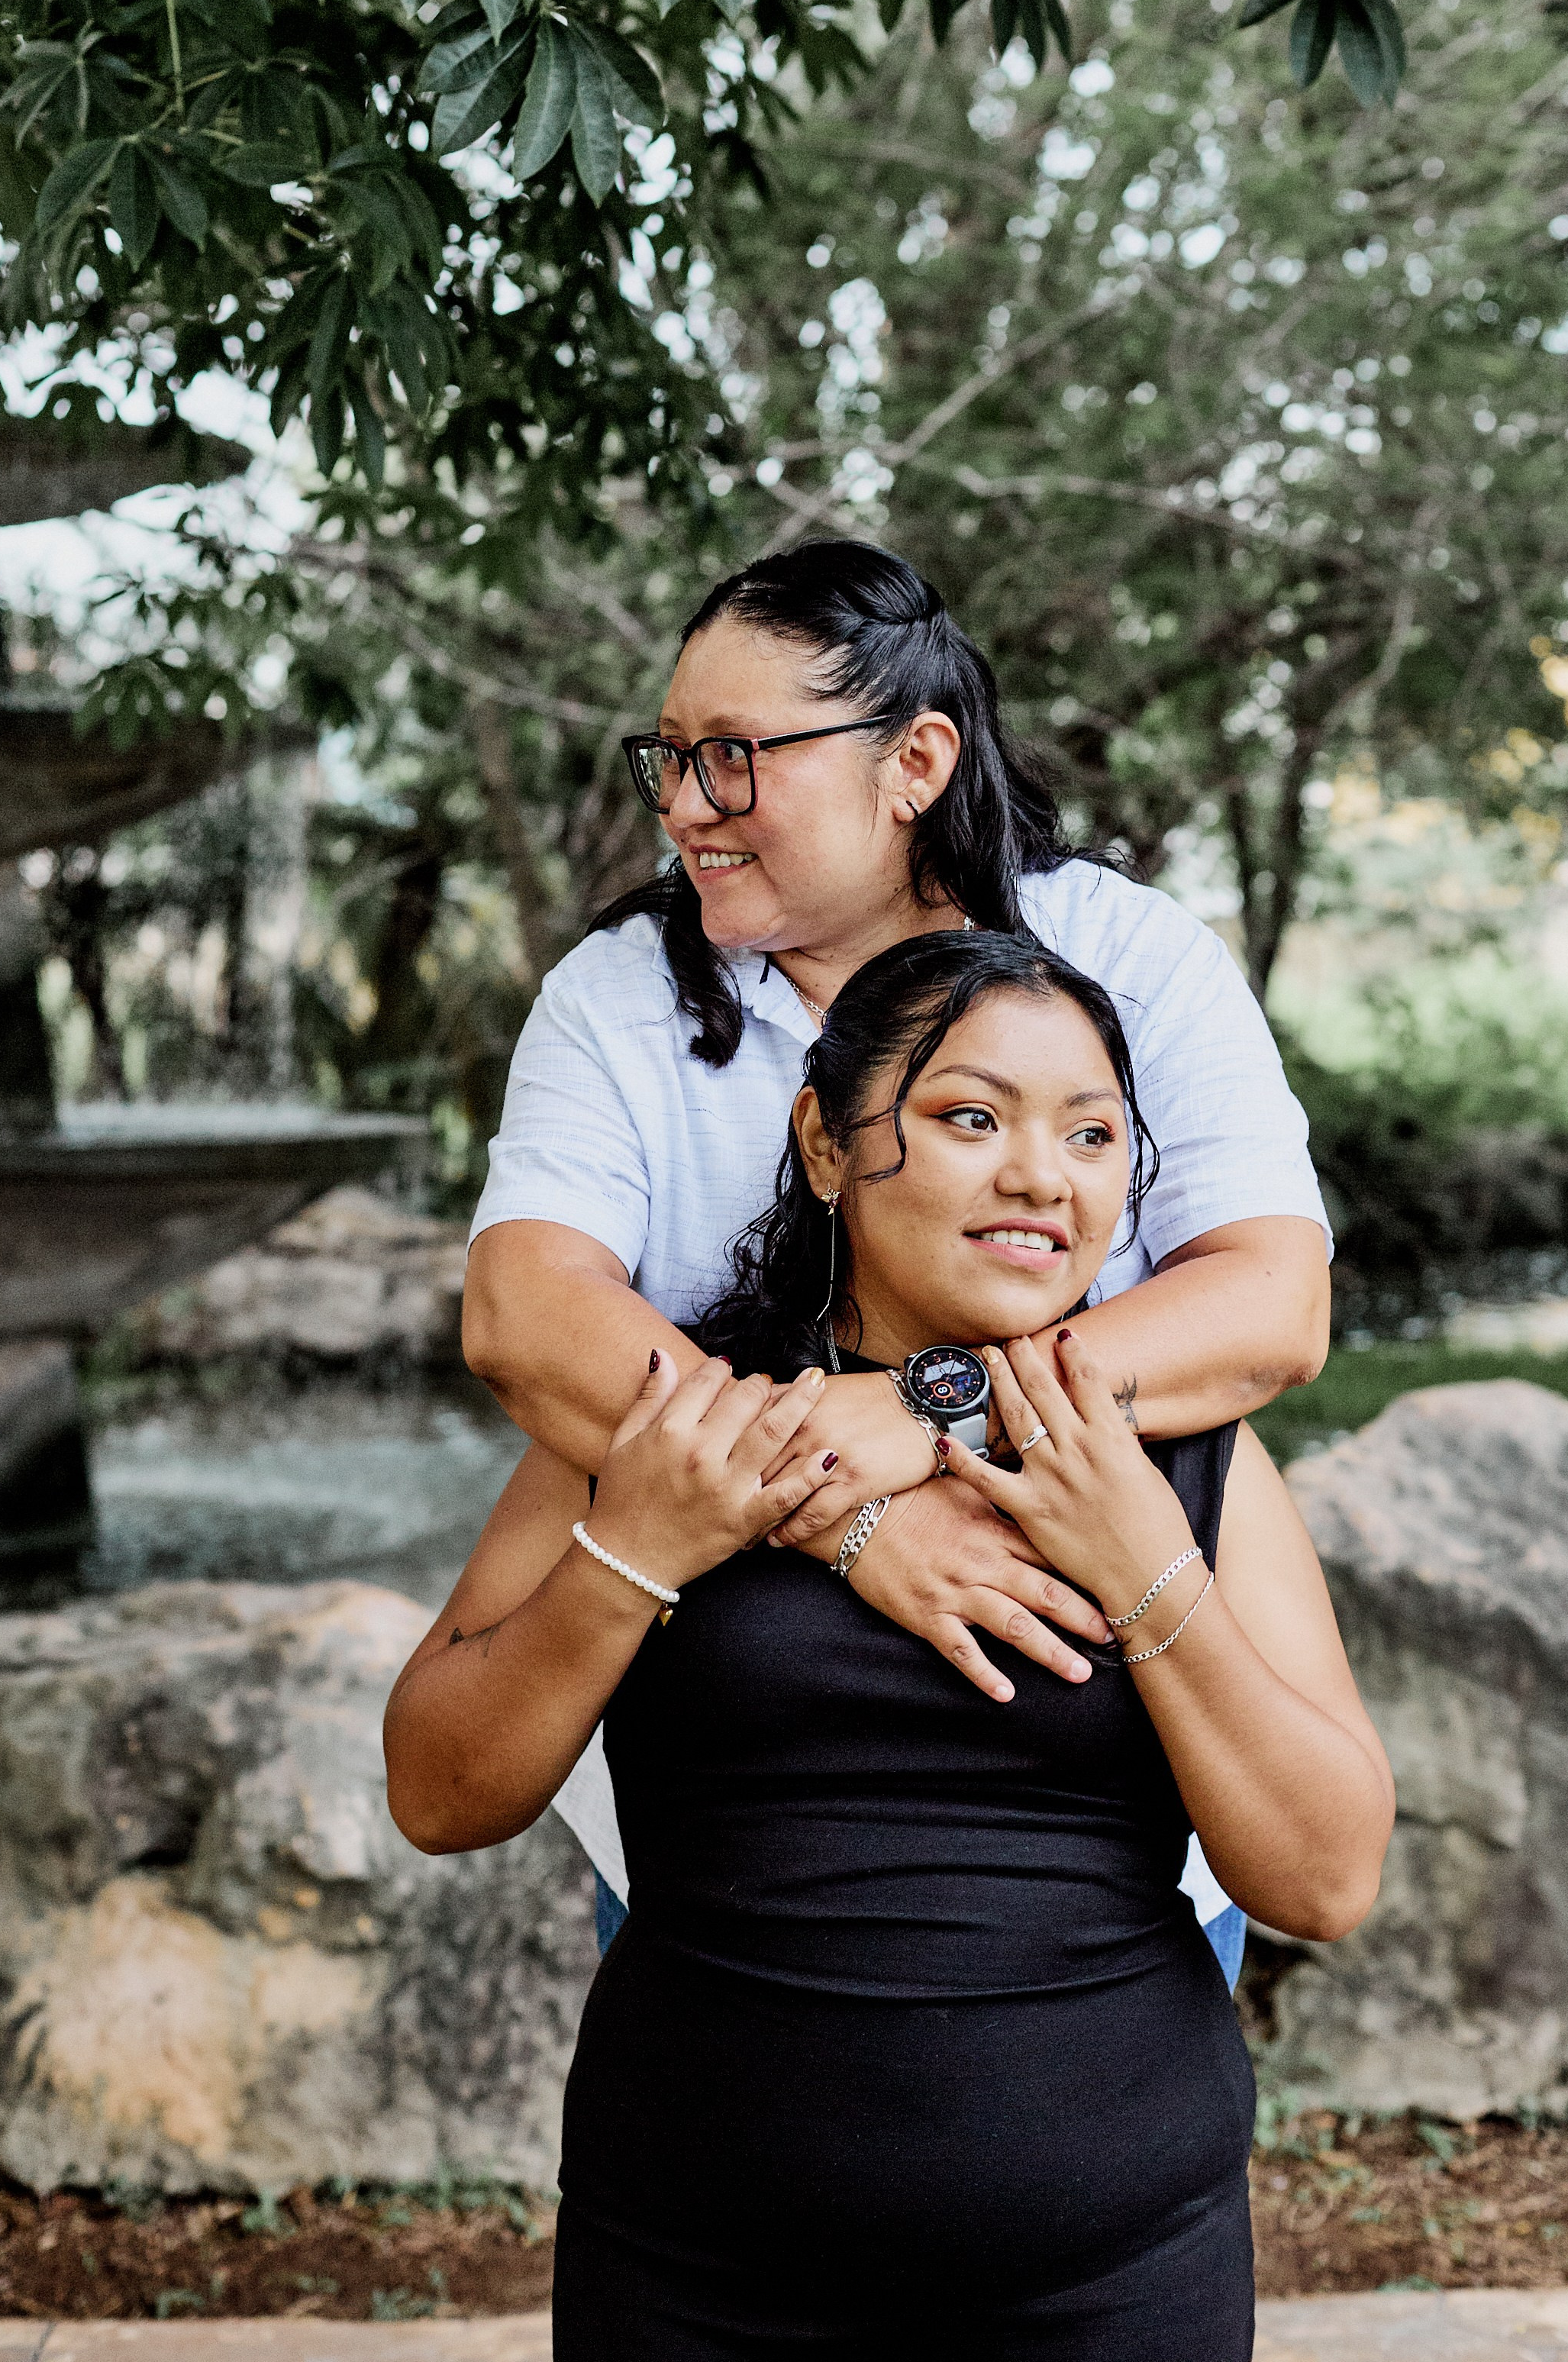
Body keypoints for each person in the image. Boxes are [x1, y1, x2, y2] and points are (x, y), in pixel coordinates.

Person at [386, 931, 1392, 2360]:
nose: (1042, 1176)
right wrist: (640, 1547)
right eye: (971, 1118)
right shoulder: (684, 1421)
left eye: (1092, 1135)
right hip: (692, 2275)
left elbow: (1325, 1877)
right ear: (824, 1142)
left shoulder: (1179, 1456)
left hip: (1112, 2284)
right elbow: (439, 1793)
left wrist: (1145, 1572)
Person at [457, 540, 1334, 1981]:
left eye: (734, 758)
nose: (685, 804)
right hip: (728, 1803)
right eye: (669, 758)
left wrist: (934, 1403)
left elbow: (1269, 1304)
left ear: (914, 761)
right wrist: (851, 1511)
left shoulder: (1126, 955)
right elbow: (525, 1320)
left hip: (1093, 1795)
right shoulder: (619, 998)